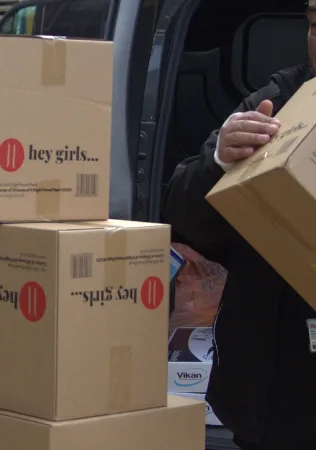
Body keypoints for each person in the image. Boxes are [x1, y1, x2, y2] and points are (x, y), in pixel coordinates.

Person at [162, 3, 316, 449]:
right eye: (314, 23)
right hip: (270, 398)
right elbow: (183, 216)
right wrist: (218, 162)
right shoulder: (279, 103)